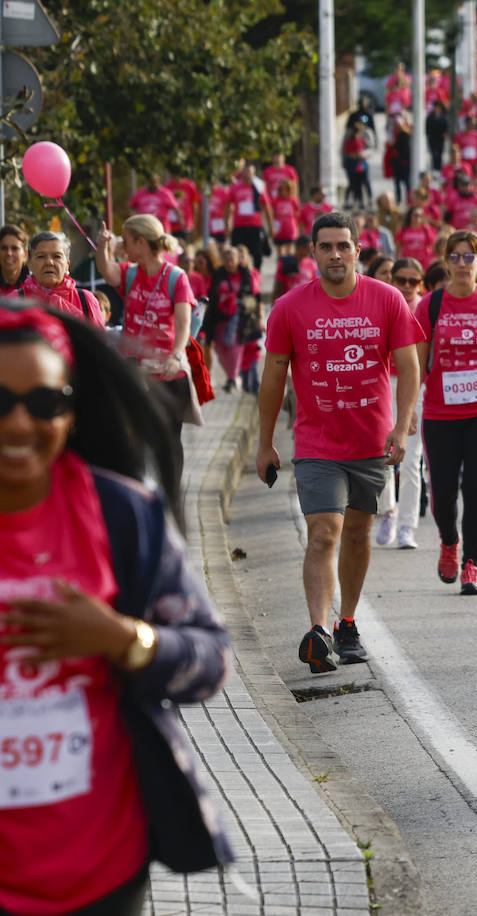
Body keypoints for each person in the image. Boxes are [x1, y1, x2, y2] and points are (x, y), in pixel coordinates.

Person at [0, 303, 233, 914]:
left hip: (102, 869)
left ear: (71, 410)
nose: (19, 424)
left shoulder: (122, 514)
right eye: (0, 402)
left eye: (45, 403)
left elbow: (210, 657)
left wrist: (122, 638)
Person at [255, 212, 424, 673]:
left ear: (357, 250)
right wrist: (264, 442)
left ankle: (347, 620)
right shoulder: (290, 308)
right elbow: (273, 379)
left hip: (371, 440)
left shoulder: (387, 299)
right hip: (316, 442)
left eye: (343, 246)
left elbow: (409, 367)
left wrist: (402, 423)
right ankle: (318, 630)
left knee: (356, 532)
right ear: (312, 252)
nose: (335, 254)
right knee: (324, 531)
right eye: (325, 247)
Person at [415, 231, 477, 594]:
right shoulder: (430, 305)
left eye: (468, 257)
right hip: (439, 413)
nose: (460, 264)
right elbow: (417, 362)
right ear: (445, 262)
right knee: (441, 493)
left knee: (476, 486)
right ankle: (448, 541)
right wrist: (409, 409)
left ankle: (473, 563)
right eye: (453, 257)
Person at [94, 215, 197, 482]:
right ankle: (141, 485)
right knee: (135, 432)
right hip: (134, 366)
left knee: (169, 437)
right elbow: (107, 270)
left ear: (141, 242)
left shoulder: (176, 278)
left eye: (126, 242)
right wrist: (103, 248)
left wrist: (176, 355)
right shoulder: (129, 272)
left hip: (166, 369)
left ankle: (171, 490)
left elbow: (184, 323)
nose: (124, 248)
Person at [375, 257, 426, 551]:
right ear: (393, 280)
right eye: (401, 280)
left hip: (417, 388)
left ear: (420, 283)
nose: (407, 287)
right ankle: (390, 512)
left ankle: (408, 525)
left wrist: (414, 403)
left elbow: (424, 359)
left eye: (413, 281)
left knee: (410, 461)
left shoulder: (425, 308)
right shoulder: (384, 304)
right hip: (386, 385)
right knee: (383, 453)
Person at [202, 245, 259, 394]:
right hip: (219, 318)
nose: (229, 262)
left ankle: (233, 379)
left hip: (241, 318)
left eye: (231, 259)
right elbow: (212, 294)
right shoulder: (218, 274)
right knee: (221, 349)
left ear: (237, 259)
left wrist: (260, 317)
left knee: (235, 347)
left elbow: (255, 297)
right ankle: (232, 376)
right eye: (226, 259)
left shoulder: (246, 274)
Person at [21, 232, 104, 326]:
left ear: (67, 265)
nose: (49, 262)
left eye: (57, 256)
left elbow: (98, 339)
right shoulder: (15, 300)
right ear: (29, 265)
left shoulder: (86, 300)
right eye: (41, 256)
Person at [0, 224, 29, 296]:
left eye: (15, 248)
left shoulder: (35, 287)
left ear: (25, 255)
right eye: (4, 248)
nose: (9, 253)